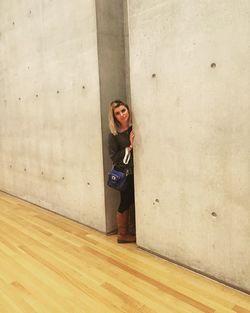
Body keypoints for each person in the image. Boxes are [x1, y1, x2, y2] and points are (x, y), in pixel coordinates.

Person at [108, 100, 136, 243]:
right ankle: (122, 234)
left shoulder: (135, 127)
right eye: (117, 113)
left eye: (123, 111)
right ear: (114, 117)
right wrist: (129, 147)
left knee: (132, 201)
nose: (122, 115)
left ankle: (131, 230)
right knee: (125, 202)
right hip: (124, 174)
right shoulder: (114, 134)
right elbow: (113, 157)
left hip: (136, 172)